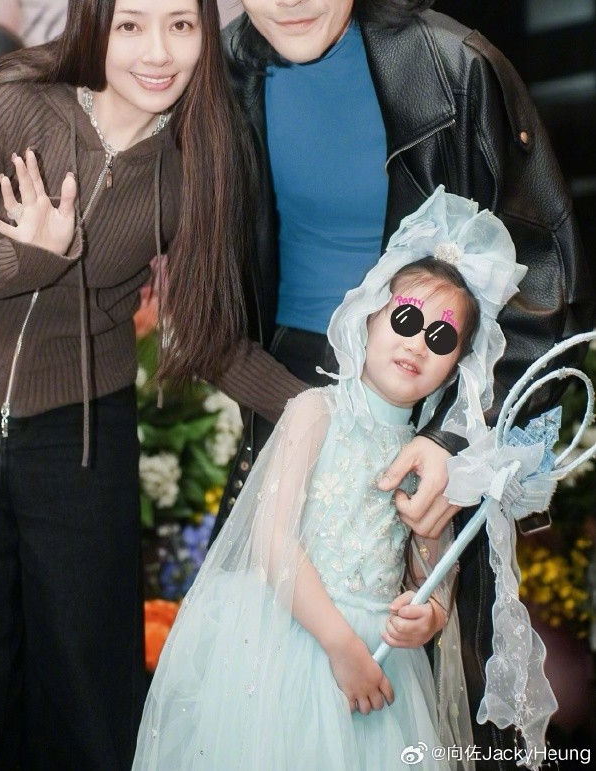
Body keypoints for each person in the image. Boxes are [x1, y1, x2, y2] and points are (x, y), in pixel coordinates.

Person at [211, 0, 595, 767]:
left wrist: (457, 448)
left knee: (417, 671)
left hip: (425, 392)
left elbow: (543, 288)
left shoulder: (455, 69)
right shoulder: (222, 75)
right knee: (269, 683)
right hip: (288, 397)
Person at [0, 0, 304, 771]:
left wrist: (310, 405)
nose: (158, 52)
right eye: (131, 25)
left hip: (79, 430)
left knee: (88, 678)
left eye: (181, 24)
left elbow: (208, 333)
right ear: (94, 20)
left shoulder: (200, 159)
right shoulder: (16, 105)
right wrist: (26, 261)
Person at [134, 189, 527, 771]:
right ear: (370, 316)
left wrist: (431, 614)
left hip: (381, 661)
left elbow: (431, 567)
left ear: (455, 367)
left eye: (441, 338)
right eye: (406, 319)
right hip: (289, 640)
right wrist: (342, 647)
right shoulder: (314, 412)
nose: (417, 342)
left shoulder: (426, 458)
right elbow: (272, 541)